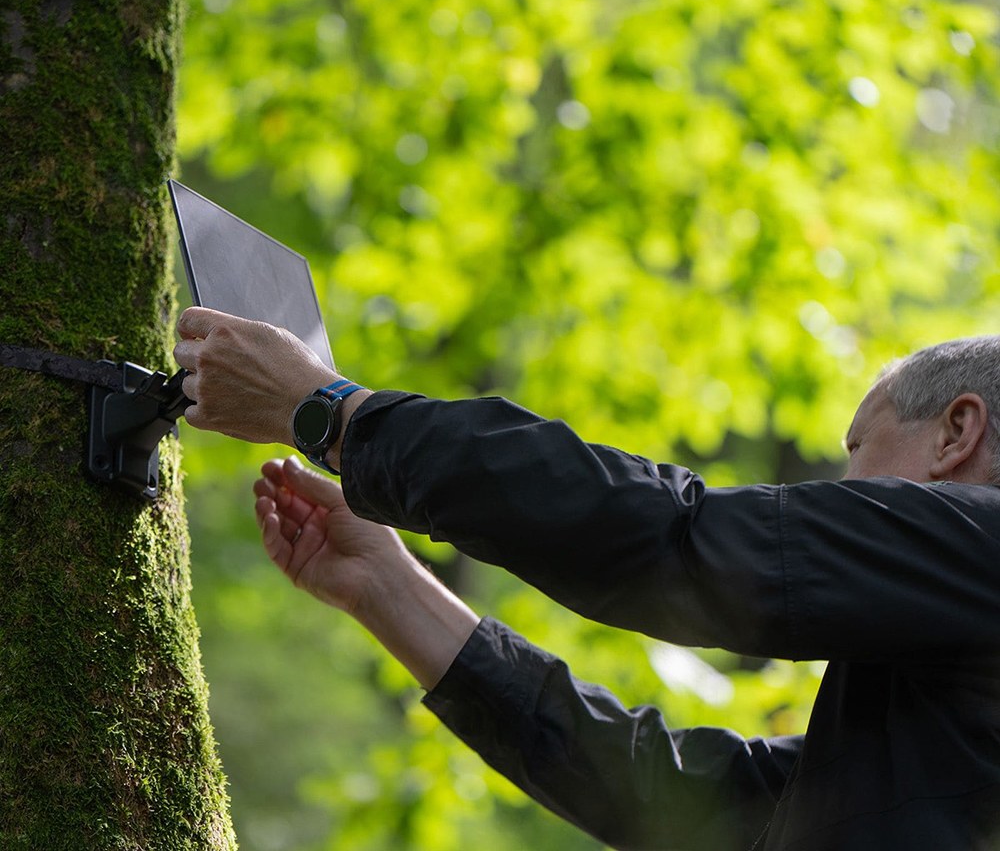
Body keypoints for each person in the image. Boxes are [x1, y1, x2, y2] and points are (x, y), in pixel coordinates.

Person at [174, 309, 1000, 851]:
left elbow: (672, 535)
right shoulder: (929, 701)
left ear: (955, 432)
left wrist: (335, 415)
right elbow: (673, 794)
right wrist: (390, 586)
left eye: (859, 449)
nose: (843, 485)